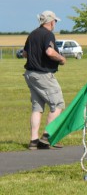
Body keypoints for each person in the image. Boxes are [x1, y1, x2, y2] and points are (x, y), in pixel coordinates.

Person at [23, 10, 67, 150]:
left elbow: (25, 53)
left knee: (37, 107)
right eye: (55, 21)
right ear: (51, 22)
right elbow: (49, 51)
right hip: (43, 75)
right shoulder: (48, 34)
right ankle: (46, 137)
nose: (55, 24)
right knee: (58, 104)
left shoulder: (32, 34)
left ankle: (33, 141)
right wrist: (61, 59)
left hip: (30, 74)